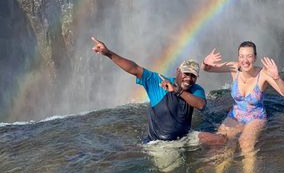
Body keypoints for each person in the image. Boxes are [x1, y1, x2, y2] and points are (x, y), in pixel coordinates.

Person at [90, 36, 227, 145]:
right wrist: (108, 53)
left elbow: (201, 104)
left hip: (185, 137)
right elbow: (135, 69)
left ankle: (212, 172)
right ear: (178, 71)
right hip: (161, 144)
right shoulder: (158, 81)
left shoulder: (196, 89)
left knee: (222, 140)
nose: (189, 79)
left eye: (193, 76)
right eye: (186, 73)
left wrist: (176, 91)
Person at [201, 41, 284, 173]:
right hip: (235, 114)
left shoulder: (263, 74)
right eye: (242, 56)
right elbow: (207, 69)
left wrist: (276, 77)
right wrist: (205, 62)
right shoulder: (234, 67)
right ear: (238, 57)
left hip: (255, 117)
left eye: (249, 56)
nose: (245, 60)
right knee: (222, 141)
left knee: (245, 144)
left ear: (255, 57)